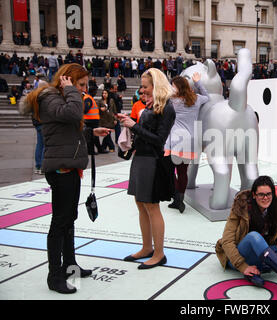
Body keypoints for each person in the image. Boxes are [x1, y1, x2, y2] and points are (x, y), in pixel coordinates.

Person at [22, 63, 111, 294]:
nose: (84, 90)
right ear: (66, 80)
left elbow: (67, 131)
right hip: (60, 168)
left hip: (69, 166)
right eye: (80, 85)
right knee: (60, 222)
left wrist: (92, 132)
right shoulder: (50, 99)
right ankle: (54, 275)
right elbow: (73, 115)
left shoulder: (60, 100)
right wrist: (72, 91)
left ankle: (70, 265)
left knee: (69, 218)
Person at [118, 68, 176, 269]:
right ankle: (146, 248)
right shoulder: (150, 106)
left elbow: (159, 140)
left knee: (151, 206)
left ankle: (159, 253)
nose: (141, 91)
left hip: (153, 161)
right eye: (141, 88)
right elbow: (143, 134)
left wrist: (134, 125)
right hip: (141, 158)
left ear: (156, 86)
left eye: (144, 87)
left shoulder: (167, 108)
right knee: (140, 203)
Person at [215, 176, 277, 292]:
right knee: (254, 236)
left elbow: (275, 236)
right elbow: (227, 241)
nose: (265, 198)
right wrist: (243, 267)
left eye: (268, 194)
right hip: (239, 255)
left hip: (263, 254)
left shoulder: (276, 210)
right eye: (261, 194)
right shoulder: (240, 208)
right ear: (254, 195)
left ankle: (259, 270)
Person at [166, 73, 209, 213]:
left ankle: (176, 198)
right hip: (191, 140)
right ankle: (180, 199)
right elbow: (207, 96)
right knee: (183, 171)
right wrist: (198, 82)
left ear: (178, 87)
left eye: (173, 86)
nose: (171, 89)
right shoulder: (196, 99)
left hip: (176, 139)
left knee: (169, 169)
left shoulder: (173, 101)